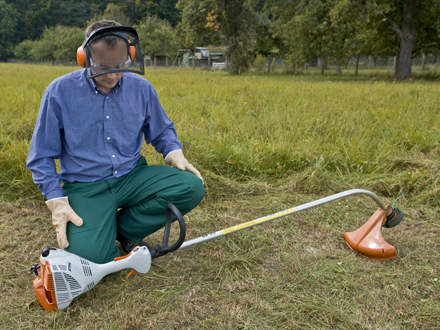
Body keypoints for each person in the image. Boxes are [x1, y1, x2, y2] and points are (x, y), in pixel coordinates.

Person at [26, 20, 205, 263]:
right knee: (89, 257)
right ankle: (99, 228)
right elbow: (41, 154)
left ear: (130, 56)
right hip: (86, 186)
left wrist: (174, 151)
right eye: (104, 67)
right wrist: (54, 198)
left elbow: (161, 130)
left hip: (132, 177)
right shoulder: (59, 92)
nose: (112, 75)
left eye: (120, 66)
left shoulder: (141, 88)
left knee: (191, 186)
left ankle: (125, 230)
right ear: (85, 58)